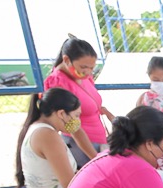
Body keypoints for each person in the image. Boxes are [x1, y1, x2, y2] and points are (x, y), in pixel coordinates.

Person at [14, 88, 79, 188]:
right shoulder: (47, 135)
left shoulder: (38, 128)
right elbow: (70, 184)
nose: (77, 121)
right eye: (76, 115)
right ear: (61, 113)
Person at [43, 37, 114, 167]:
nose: (87, 72)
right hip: (81, 148)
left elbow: (93, 103)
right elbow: (72, 126)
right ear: (66, 60)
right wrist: (95, 158)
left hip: (98, 143)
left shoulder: (83, 76)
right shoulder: (58, 83)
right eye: (83, 67)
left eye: (91, 68)